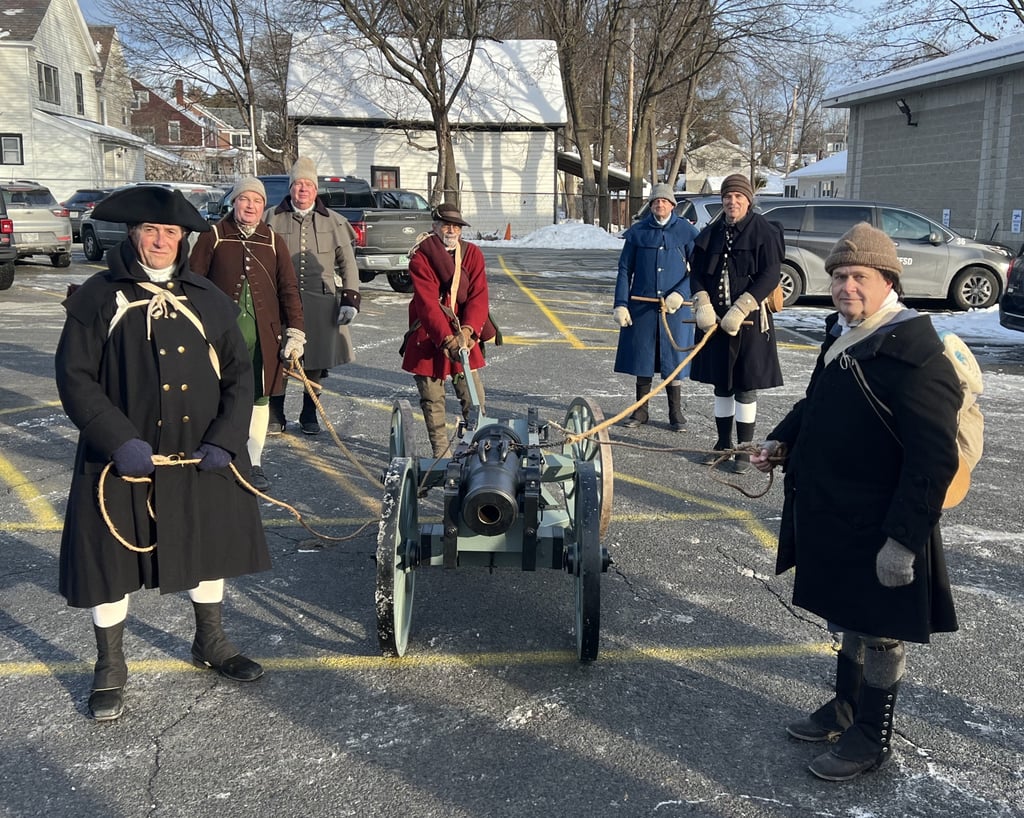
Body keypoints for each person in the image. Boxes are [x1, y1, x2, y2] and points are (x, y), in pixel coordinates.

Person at [751, 222, 961, 781]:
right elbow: (817, 401)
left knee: (881, 630)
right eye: (840, 275)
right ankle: (846, 706)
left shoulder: (916, 354)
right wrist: (781, 441)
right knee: (849, 614)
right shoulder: (844, 332)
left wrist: (903, 542)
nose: (846, 286)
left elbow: (933, 460)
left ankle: (872, 735)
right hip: (836, 512)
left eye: (859, 276)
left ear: (888, 280)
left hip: (883, 521)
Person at [55, 186, 272, 722]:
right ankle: (110, 664)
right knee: (110, 561)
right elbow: (75, 377)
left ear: (182, 239)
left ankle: (210, 641)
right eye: (150, 231)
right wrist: (116, 439)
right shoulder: (98, 297)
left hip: (199, 454)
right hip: (121, 459)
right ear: (133, 234)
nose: (160, 241)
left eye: (170, 232)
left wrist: (225, 439)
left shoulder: (207, 297)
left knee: (207, 545)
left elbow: (240, 377)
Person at [190, 176, 304, 491]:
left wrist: (295, 330)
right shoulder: (213, 236)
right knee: (217, 397)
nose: (251, 206)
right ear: (234, 202)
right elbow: (193, 283)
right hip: (219, 337)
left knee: (258, 397)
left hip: (263, 339)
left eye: (257, 201)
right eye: (244, 199)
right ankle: (217, 457)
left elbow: (289, 288)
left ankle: (253, 462)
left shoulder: (273, 241)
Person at [689, 173, 784, 472]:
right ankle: (722, 445)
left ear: (748, 200)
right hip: (716, 322)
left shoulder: (764, 231)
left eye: (738, 197)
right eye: (728, 197)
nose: (732, 202)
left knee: (745, 387)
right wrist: (702, 301)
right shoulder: (712, 231)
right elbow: (696, 273)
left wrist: (743, 306)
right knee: (721, 386)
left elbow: (771, 274)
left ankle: (744, 449)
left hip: (750, 321)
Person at [264, 157, 361, 436]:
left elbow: (348, 263)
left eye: (308, 184)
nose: (303, 189)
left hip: (321, 302)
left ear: (316, 189)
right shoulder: (271, 218)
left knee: (316, 360)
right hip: (281, 301)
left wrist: (350, 298)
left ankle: (309, 413)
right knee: (281, 356)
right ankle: (276, 412)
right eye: (298, 184)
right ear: (290, 188)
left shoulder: (334, 222)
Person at [401, 203, 493, 457]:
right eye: (446, 225)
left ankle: (477, 449)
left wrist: (468, 331)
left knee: (473, 396)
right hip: (429, 333)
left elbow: (478, 296)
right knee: (432, 398)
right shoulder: (421, 257)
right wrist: (447, 339)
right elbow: (427, 304)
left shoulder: (473, 254)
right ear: (435, 227)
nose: (451, 230)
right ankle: (440, 452)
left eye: (456, 226)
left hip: (464, 334)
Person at [613, 183, 698, 431]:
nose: (660, 204)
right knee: (643, 359)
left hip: (675, 309)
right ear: (650, 205)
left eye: (664, 201)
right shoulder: (638, 232)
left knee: (673, 359)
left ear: (672, 205)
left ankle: (675, 413)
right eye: (656, 201)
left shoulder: (686, 231)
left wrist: (681, 294)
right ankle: (640, 412)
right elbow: (624, 269)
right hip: (642, 307)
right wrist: (621, 304)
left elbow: (698, 270)